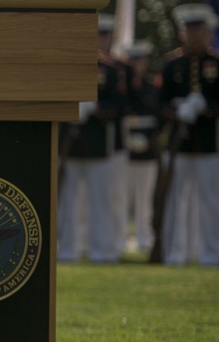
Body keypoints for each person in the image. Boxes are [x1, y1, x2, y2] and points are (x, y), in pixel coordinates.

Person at [157, 3, 219, 266]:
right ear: (182, 33)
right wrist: (177, 110)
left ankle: (210, 253)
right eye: (189, 29)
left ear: (208, 33)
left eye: (198, 29)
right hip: (179, 145)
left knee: (211, 201)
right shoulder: (171, 64)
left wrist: (205, 107)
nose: (193, 34)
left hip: (209, 145)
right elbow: (160, 104)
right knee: (175, 200)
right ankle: (174, 253)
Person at [57, 14, 126, 262]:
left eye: (104, 35)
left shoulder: (111, 70)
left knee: (101, 203)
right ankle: (67, 251)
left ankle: (102, 251)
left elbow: (120, 108)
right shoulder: (67, 67)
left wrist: (96, 108)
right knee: (66, 203)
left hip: (99, 147)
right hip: (70, 147)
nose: (99, 40)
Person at [123, 40, 160, 254]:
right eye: (133, 59)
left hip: (147, 149)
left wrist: (151, 140)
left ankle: (144, 238)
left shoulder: (152, 87)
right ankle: (121, 238)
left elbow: (158, 117)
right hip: (125, 149)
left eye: (140, 59)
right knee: (123, 199)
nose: (137, 63)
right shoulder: (122, 86)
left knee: (145, 199)